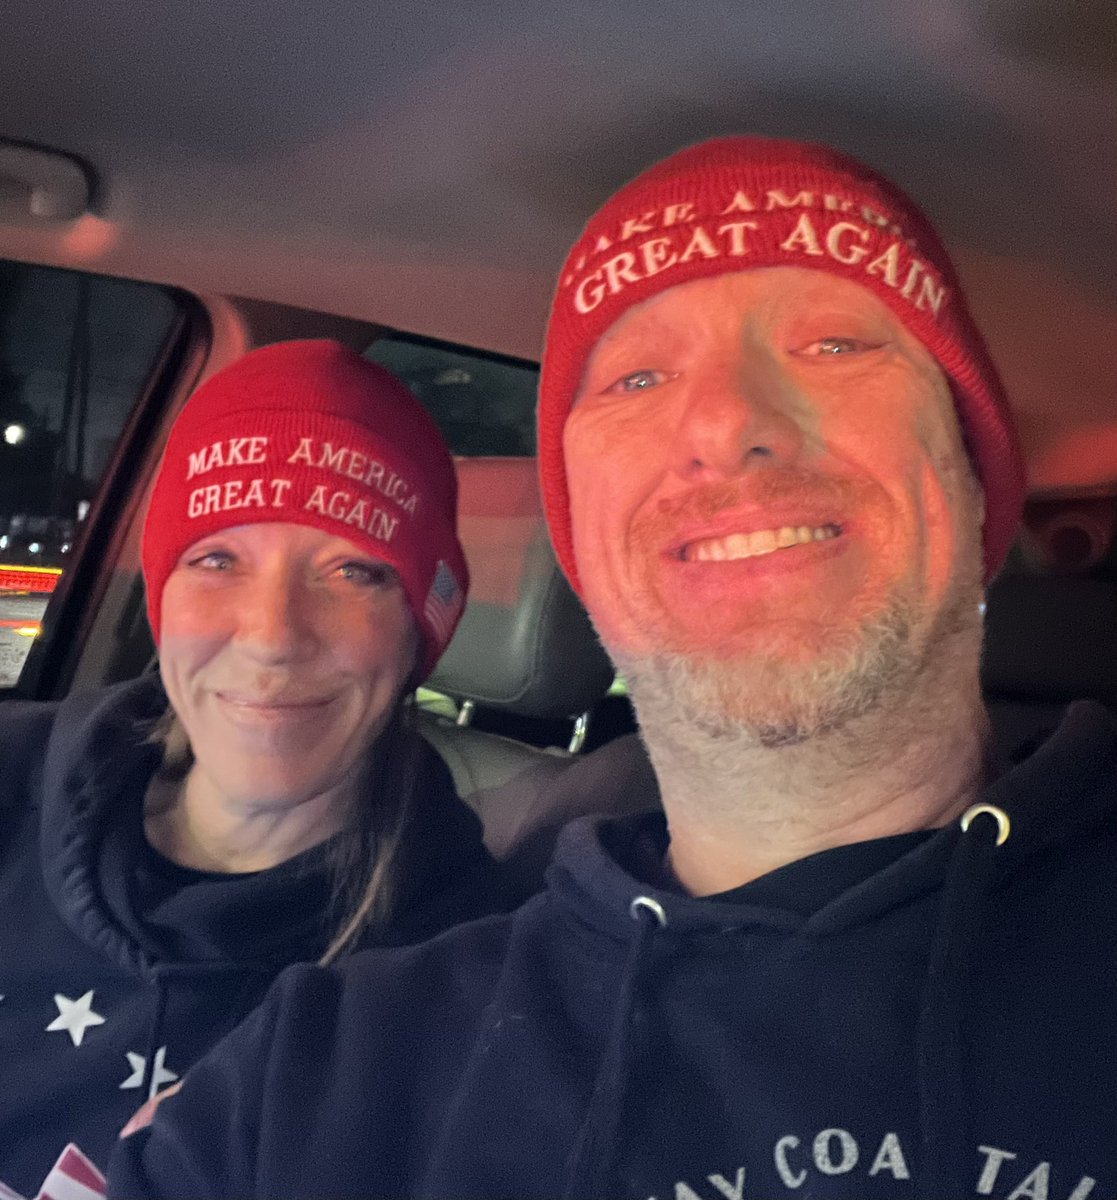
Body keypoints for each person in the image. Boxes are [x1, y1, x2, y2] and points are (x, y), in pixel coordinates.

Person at [110, 140, 1117, 1200]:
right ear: (580, 538)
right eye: (638, 377)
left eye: (835, 343)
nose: (726, 422)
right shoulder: (311, 1083)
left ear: (972, 476)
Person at [0, 339, 503, 1195]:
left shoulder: (461, 977)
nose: (272, 636)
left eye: (352, 571)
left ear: (420, 623)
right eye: (217, 560)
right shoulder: (12, 775)